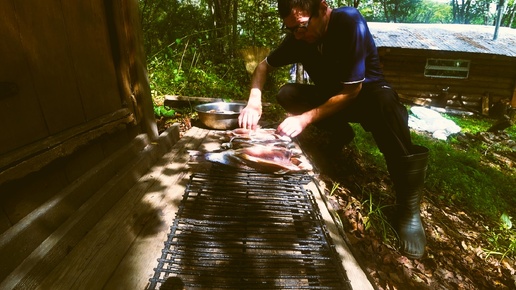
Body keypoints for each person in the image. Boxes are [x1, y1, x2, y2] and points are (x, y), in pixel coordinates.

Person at [238, 0, 430, 259]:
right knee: (288, 93)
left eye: (303, 26)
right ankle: (339, 134)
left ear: (323, 9)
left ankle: (408, 207)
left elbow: (352, 92)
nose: (298, 35)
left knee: (386, 103)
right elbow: (263, 66)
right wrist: (254, 100)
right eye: (291, 29)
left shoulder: (349, 22)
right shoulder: (299, 37)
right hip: (332, 97)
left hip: (367, 97)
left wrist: (304, 119)